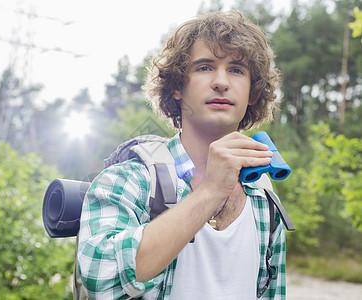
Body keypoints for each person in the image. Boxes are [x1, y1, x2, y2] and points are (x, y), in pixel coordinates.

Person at [77, 10, 286, 299]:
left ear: (252, 93)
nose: (221, 82)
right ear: (177, 87)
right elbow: (101, 279)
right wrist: (210, 191)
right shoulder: (130, 180)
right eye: (204, 67)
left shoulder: (263, 196)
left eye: (237, 69)